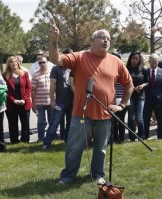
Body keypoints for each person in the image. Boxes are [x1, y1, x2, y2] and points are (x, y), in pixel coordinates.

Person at [49, 20, 133, 185]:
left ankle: (97, 175)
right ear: (92, 42)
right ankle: (68, 176)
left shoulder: (116, 61)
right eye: (101, 37)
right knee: (75, 148)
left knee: (100, 149)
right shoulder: (80, 56)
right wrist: (54, 40)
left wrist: (122, 105)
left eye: (108, 38)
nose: (106, 40)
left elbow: (129, 84)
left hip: (105, 114)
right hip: (81, 113)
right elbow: (55, 59)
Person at [42, 48, 74, 149]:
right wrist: (52, 100)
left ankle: (67, 140)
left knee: (70, 123)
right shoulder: (56, 69)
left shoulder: (74, 68)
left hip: (72, 101)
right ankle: (46, 144)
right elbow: (52, 85)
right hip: (60, 101)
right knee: (54, 123)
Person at [3, 56, 32, 143]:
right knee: (13, 124)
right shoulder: (4, 75)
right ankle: (14, 141)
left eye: (15, 61)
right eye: (12, 62)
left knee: (25, 123)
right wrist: (13, 100)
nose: (14, 63)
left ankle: (25, 140)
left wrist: (24, 99)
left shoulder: (24, 73)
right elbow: (5, 90)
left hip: (24, 103)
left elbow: (28, 88)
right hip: (11, 104)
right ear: (8, 64)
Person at [143, 53, 162, 139]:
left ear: (158, 62)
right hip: (147, 100)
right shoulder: (144, 72)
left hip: (160, 101)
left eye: (156, 61)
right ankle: (144, 136)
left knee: (160, 120)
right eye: (152, 61)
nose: (154, 63)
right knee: (145, 120)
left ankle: (161, 138)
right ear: (149, 61)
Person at [31, 56, 54, 141]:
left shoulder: (52, 73)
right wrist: (33, 104)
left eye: (44, 62)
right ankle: (41, 138)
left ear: (47, 62)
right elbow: (32, 91)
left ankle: (51, 137)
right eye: (40, 63)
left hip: (51, 101)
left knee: (52, 121)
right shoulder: (35, 75)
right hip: (39, 103)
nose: (42, 64)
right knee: (41, 122)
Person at [126, 51, 147, 140]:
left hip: (140, 96)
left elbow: (147, 81)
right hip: (130, 96)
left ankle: (141, 136)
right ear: (130, 59)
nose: (134, 60)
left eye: (136, 59)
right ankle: (131, 136)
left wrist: (142, 85)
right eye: (133, 58)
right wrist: (131, 88)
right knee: (130, 117)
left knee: (139, 117)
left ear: (139, 60)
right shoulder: (126, 68)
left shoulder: (143, 69)